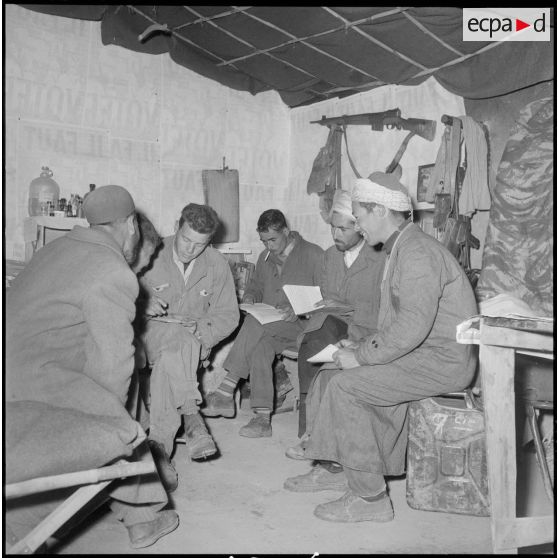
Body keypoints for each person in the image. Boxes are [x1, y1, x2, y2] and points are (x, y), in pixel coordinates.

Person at [284, 172, 478, 523]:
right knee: (329, 376)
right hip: (423, 353)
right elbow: (402, 327)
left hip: (441, 363)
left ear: (379, 211)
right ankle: (335, 468)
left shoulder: (416, 253)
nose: (357, 224)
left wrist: (360, 356)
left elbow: (410, 329)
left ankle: (370, 498)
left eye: (359, 216)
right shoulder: (402, 246)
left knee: (347, 386)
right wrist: (360, 344)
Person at [5, 185, 179, 549]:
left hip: (15, 371)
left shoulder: (53, 249)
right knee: (120, 420)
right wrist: (111, 428)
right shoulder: (112, 270)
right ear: (131, 224)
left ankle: (141, 510)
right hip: (40, 383)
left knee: (115, 407)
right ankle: (140, 514)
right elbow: (113, 364)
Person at [140, 203, 239, 491]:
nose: (189, 249)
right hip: (150, 336)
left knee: (177, 347)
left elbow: (229, 316)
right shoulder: (151, 252)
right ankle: (192, 415)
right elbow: (119, 291)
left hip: (194, 342)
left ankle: (159, 449)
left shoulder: (216, 264)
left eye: (199, 244)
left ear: (210, 241)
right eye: (186, 240)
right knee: (175, 338)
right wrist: (142, 302)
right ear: (176, 227)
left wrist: (204, 331)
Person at [202, 209, 324, 438]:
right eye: (264, 240)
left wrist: (299, 309)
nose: (268, 245)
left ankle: (227, 387)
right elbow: (256, 286)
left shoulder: (314, 255)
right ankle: (262, 418)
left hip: (303, 326)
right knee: (259, 346)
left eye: (273, 239)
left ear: (286, 232)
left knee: (255, 324)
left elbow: (327, 297)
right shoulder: (264, 257)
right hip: (271, 326)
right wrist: (250, 297)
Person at [289, 189, 386, 450]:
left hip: (365, 327)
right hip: (329, 324)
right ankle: (310, 432)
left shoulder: (381, 259)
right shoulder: (330, 256)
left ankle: (316, 435)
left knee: (317, 339)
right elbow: (325, 296)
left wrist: (343, 305)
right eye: (333, 228)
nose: (336, 235)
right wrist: (312, 305)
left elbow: (384, 310)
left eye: (343, 229)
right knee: (314, 339)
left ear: (361, 229)